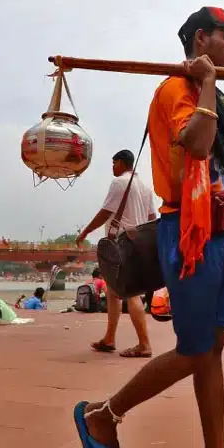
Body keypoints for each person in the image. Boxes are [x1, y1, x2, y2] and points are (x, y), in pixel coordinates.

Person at [75, 7, 224, 448]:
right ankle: (104, 415)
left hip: (220, 232)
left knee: (211, 346)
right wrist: (206, 82)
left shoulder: (211, 93)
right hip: (190, 236)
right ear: (200, 39)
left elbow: (220, 172)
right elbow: (198, 145)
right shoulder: (175, 90)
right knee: (194, 348)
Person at [77, 149, 156, 358]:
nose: (112, 167)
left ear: (121, 163)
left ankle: (144, 344)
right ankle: (109, 338)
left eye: (114, 163)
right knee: (113, 290)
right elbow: (152, 218)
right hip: (139, 242)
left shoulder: (119, 183)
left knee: (131, 292)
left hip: (122, 243)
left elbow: (105, 212)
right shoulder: (145, 187)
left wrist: (85, 232)